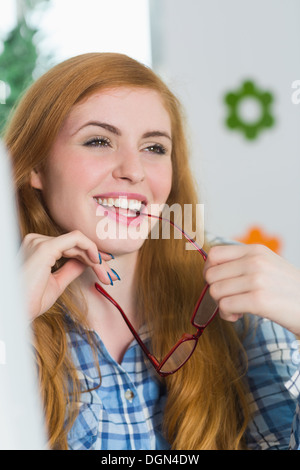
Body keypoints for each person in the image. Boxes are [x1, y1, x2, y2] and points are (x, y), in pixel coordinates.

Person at [2, 52, 300, 450]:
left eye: (155, 148)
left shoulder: (236, 286)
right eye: (99, 141)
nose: (134, 170)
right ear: (36, 166)